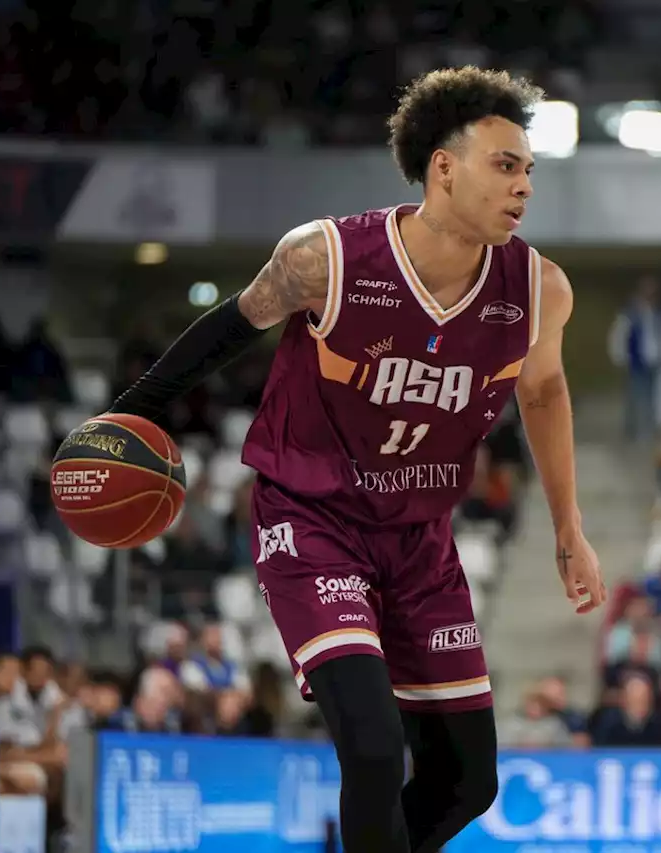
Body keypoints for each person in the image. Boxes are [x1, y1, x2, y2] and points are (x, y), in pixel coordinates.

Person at [103, 67, 607, 853]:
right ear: (445, 166)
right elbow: (232, 325)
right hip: (313, 522)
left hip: (421, 540)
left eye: (529, 172)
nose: (524, 188)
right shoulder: (328, 257)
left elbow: (542, 395)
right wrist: (132, 409)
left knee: (470, 779)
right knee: (372, 752)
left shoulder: (540, 290)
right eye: (506, 166)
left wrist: (568, 525)